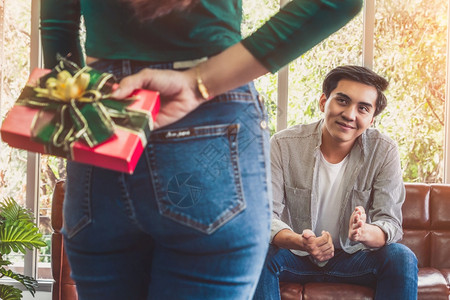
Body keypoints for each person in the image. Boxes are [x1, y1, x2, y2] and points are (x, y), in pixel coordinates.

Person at [40, 1, 363, 299]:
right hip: (210, 121)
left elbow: (57, 27)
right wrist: (199, 83)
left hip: (103, 124)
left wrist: (80, 110)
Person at [252, 65, 418, 300]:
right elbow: (264, 216)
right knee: (254, 252)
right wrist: (301, 242)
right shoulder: (283, 144)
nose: (350, 115)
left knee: (401, 257)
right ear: (323, 102)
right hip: (296, 255)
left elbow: (390, 223)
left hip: (354, 258)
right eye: (342, 101)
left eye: (363, 108)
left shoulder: (384, 150)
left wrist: (365, 232)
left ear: (371, 119)